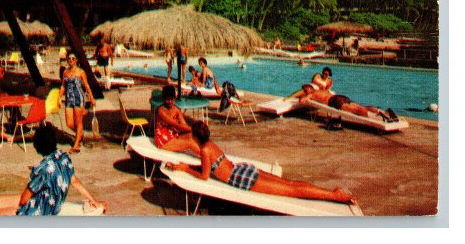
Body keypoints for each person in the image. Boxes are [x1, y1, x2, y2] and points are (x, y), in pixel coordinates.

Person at [168, 121, 356, 204]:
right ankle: (333, 194)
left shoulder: (203, 150)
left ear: (194, 136)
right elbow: (209, 166)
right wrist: (188, 166)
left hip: (241, 178)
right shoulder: (210, 145)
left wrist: (186, 169)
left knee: (291, 191)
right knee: (288, 184)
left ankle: (335, 197)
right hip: (242, 169)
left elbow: (204, 176)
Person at [0, 124, 107, 216]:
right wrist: (94, 201)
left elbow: (24, 200)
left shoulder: (41, 170)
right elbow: (75, 182)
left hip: (35, 211)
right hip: (47, 205)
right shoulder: (63, 157)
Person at [59, 51, 96, 153]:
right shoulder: (65, 72)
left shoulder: (81, 72)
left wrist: (92, 98)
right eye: (69, 58)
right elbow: (63, 86)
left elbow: (87, 85)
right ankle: (80, 134)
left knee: (78, 122)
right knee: (69, 123)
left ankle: (76, 144)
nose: (71, 60)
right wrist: (59, 98)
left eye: (73, 58)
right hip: (68, 98)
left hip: (79, 98)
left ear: (76, 60)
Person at [296, 87, 399, 122]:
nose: (305, 91)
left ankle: (376, 116)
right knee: (361, 107)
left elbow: (301, 101)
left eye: (305, 90)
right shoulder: (322, 90)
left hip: (334, 102)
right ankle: (380, 111)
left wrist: (302, 95)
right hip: (340, 97)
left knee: (357, 111)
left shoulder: (311, 94)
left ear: (309, 89)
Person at [153, 85, 194, 153]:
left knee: (192, 137)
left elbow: (184, 124)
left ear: (175, 98)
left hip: (174, 135)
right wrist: (195, 130)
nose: (170, 102)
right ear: (164, 99)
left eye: (172, 99)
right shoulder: (161, 110)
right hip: (163, 138)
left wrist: (193, 131)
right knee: (190, 142)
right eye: (168, 99)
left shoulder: (176, 110)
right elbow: (176, 125)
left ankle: (203, 157)